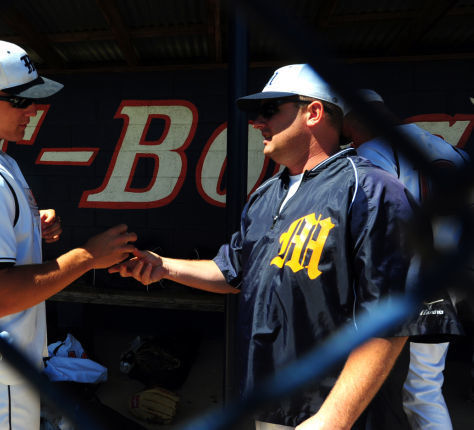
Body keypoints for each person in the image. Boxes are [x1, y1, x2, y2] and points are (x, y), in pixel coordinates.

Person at [111, 64, 422, 429]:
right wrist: (162, 265)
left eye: (271, 109)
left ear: (314, 112)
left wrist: (335, 417)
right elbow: (232, 272)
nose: (258, 121)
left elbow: (391, 316)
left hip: (340, 412)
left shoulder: (371, 190)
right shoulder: (265, 195)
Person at [0, 39, 137, 430]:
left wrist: (29, 226)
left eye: (35, 98)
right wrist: (87, 256)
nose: (34, 109)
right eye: (20, 101)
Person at [342, 89, 468, 430]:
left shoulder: (372, 151)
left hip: (399, 288)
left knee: (375, 391)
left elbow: (374, 221)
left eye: (348, 127)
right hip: (447, 286)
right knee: (425, 389)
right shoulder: (446, 148)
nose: (348, 136)